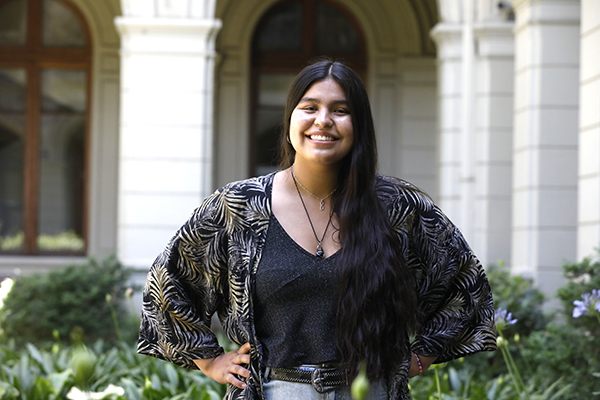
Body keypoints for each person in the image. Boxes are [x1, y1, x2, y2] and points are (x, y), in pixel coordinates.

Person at [137, 59, 497, 400]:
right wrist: (210, 360)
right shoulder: (240, 207)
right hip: (275, 391)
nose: (323, 120)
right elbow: (169, 282)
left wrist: (420, 357)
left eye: (340, 110)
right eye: (309, 108)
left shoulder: (397, 207)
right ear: (290, 119)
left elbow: (463, 283)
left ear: (359, 125)